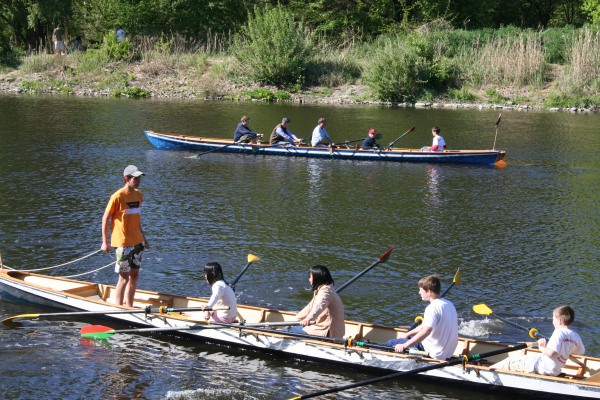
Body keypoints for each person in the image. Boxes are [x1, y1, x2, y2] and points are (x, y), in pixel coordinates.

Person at [101, 165, 149, 307]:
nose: (138, 180)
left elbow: (136, 218)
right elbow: (105, 218)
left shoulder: (139, 194)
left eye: (139, 178)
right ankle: (119, 307)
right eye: (135, 178)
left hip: (137, 242)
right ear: (127, 179)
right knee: (124, 277)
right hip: (123, 243)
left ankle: (129, 306)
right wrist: (105, 242)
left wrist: (144, 238)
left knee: (134, 276)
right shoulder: (117, 196)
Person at [490, 306, 585, 376]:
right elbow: (579, 353)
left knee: (512, 360)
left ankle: (486, 371)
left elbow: (551, 352)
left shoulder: (558, 333)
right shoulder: (576, 336)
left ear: (559, 320)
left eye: (553, 318)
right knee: (527, 356)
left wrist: (541, 347)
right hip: (554, 370)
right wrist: (580, 364)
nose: (553, 321)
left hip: (541, 367)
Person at [385, 275, 458, 360]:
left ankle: (371, 353)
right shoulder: (449, 304)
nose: (419, 292)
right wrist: (407, 334)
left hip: (434, 352)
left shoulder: (432, 308)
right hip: (448, 352)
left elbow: (426, 331)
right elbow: (424, 326)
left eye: (421, 290)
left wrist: (404, 345)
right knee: (409, 337)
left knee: (391, 343)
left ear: (429, 292)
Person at [287, 265, 345, 338]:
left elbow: (319, 307)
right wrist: (295, 320)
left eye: (310, 277)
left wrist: (308, 319)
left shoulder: (325, 292)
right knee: (292, 327)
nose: (309, 279)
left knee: (288, 331)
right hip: (325, 328)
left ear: (317, 278)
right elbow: (309, 307)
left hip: (326, 331)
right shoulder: (325, 289)